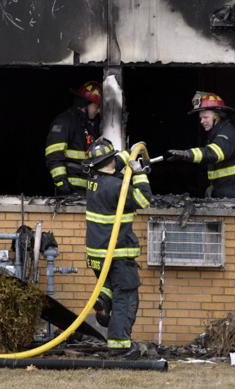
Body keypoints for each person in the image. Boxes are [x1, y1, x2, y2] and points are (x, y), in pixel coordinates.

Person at [84, 137, 152, 355]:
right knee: (126, 296)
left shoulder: (93, 180)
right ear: (111, 160)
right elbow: (143, 200)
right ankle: (120, 346)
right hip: (118, 253)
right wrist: (139, 172)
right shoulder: (117, 188)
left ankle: (103, 300)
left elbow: (117, 162)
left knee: (110, 287)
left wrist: (132, 154)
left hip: (97, 254)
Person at [166, 91, 235, 199]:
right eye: (201, 118)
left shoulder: (227, 134)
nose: (202, 121)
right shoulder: (218, 133)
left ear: (217, 116)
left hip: (234, 197)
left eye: (205, 117)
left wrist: (187, 154)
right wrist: (213, 187)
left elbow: (214, 153)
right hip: (227, 193)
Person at [45, 81, 102, 195]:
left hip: (87, 193)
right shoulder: (65, 121)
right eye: (97, 106)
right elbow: (54, 155)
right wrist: (62, 183)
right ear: (86, 104)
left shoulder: (88, 126)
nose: (99, 110)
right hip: (69, 192)